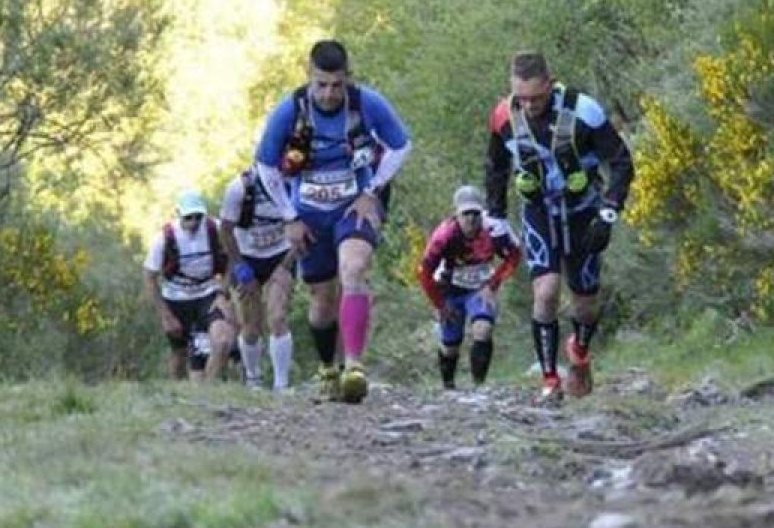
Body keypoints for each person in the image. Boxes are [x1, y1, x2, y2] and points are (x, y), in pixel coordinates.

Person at [253, 40, 412, 403]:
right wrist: (289, 216)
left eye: (337, 85)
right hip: (308, 215)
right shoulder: (289, 111)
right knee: (322, 300)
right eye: (321, 84)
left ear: (348, 79)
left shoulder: (367, 104)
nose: (329, 93)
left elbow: (401, 146)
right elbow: (264, 165)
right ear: (309, 77)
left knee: (354, 268)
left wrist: (371, 189)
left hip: (354, 208)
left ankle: (354, 367)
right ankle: (328, 367)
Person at [484, 51, 635, 403]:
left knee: (585, 303)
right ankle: (550, 379)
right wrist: (496, 219)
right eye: (522, 98)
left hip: (584, 213)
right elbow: (495, 166)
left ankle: (579, 352)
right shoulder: (503, 116)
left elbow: (621, 162)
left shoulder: (584, 111)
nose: (530, 105)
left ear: (550, 85)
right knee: (547, 292)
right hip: (540, 213)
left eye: (537, 97)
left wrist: (609, 213)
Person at [417, 185, 521, 389]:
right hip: (450, 291)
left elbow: (514, 255)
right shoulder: (444, 235)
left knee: (483, 329)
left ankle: (478, 385)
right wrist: (439, 304)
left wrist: (493, 284)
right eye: (466, 214)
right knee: (450, 346)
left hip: (479, 290)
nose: (471, 220)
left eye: (475, 213)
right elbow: (423, 272)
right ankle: (448, 385)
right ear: (457, 214)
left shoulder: (493, 230)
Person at [143, 190, 237, 383]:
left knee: (223, 340)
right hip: (176, 299)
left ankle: (208, 390)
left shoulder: (215, 229)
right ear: (179, 215)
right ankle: (180, 397)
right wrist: (166, 315)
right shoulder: (163, 239)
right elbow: (149, 278)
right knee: (179, 353)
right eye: (188, 217)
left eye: (198, 216)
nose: (194, 222)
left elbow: (233, 260)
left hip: (208, 293)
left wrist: (222, 292)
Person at [218, 167, 296, 392]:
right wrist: (241, 268)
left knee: (278, 317)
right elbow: (225, 231)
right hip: (247, 256)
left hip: (282, 254)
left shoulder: (294, 183)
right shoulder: (239, 189)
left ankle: (282, 384)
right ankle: (253, 377)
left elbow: (303, 226)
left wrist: (285, 266)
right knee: (251, 326)